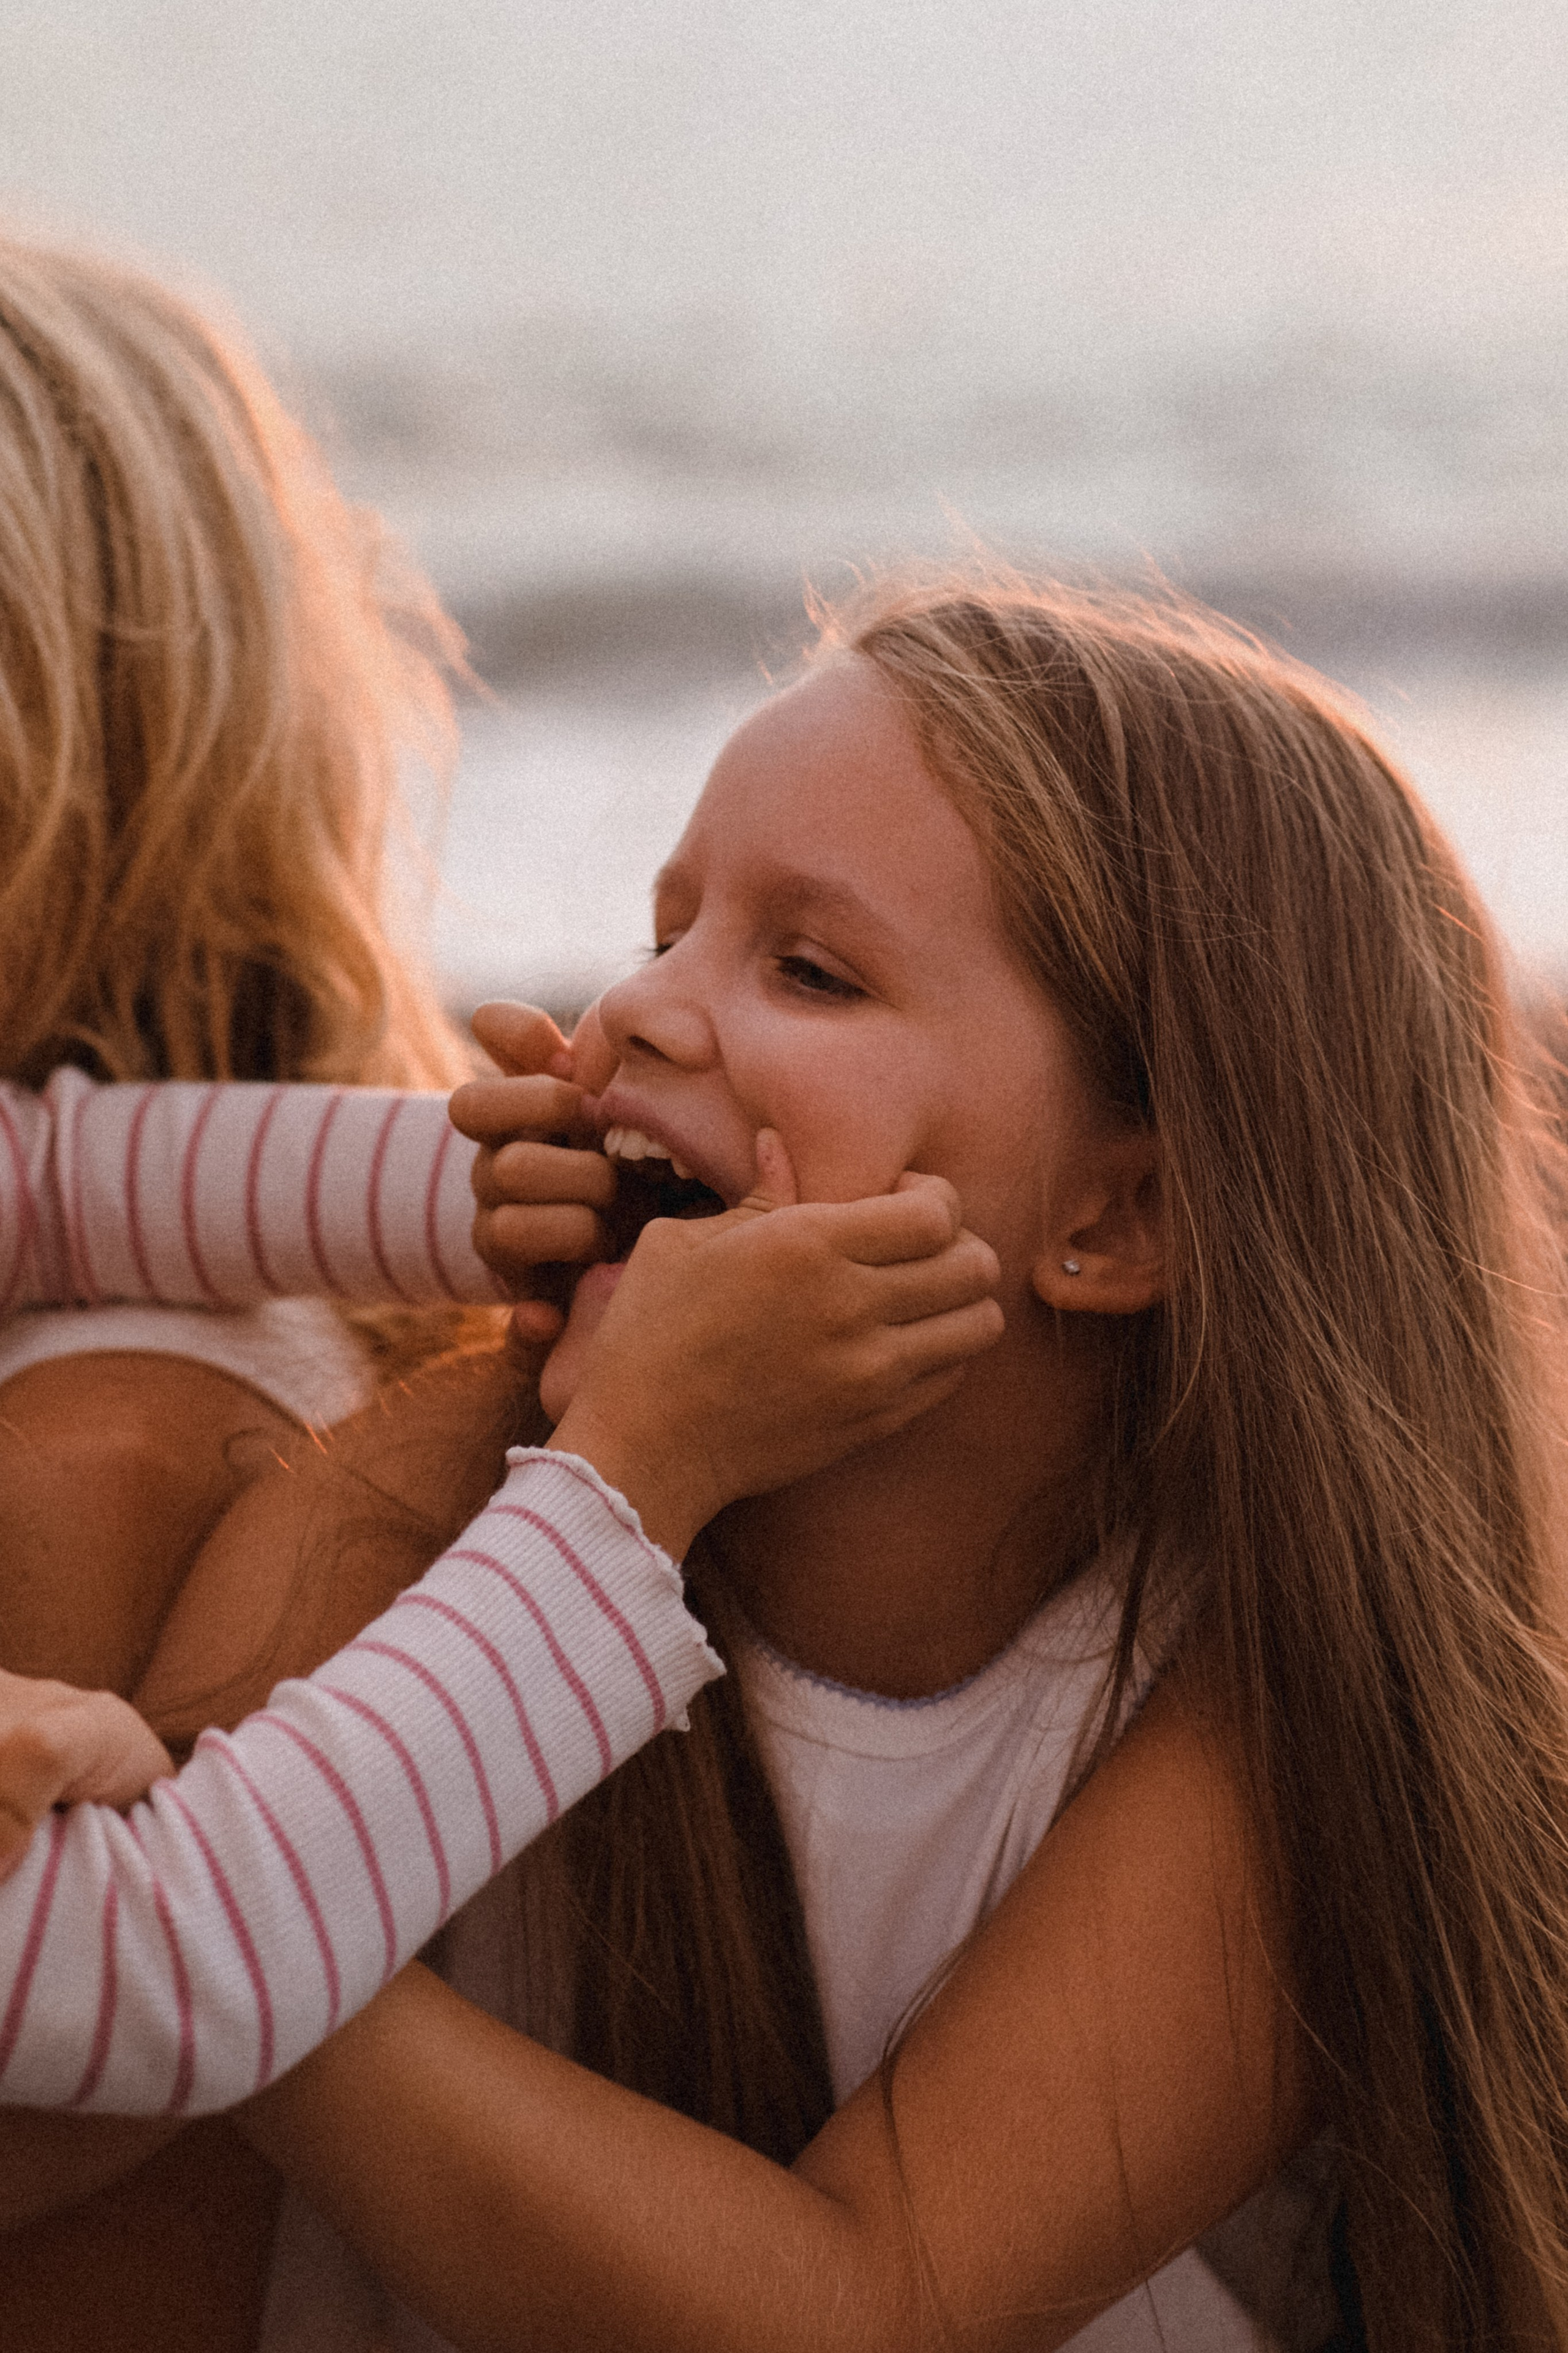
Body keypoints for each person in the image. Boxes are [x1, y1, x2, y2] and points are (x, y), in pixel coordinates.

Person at [11, 570, 1567, 2349]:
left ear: (1121, 1215)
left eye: (807, 969)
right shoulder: (413, 1510)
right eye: (663, 930)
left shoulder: (1252, 1708)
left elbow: (859, 2310)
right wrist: (167, 1932)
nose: (644, 1010)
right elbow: (52, 2114)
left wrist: (235, 1929)